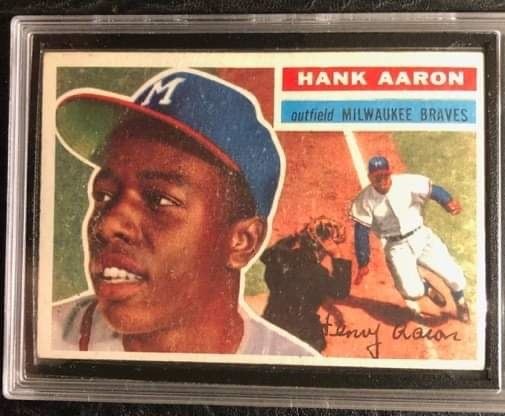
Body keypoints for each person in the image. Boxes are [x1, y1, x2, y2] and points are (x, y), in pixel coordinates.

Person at [51, 69, 317, 355]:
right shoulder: (41, 337)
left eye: (160, 200)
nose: (108, 225)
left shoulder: (295, 368)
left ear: (243, 241)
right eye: (104, 195)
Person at [350, 156, 470, 322]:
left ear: (390, 172)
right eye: (377, 177)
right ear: (370, 177)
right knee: (411, 292)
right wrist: (363, 262)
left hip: (422, 238)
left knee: (455, 277)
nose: (382, 179)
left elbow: (434, 190)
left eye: (385, 175)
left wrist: (447, 201)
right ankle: (426, 288)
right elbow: (361, 231)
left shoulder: (407, 183)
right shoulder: (364, 199)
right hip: (397, 247)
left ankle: (461, 302)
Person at [261, 217, 352, 352]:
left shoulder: (280, 258)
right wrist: (337, 257)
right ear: (323, 250)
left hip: (269, 329)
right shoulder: (319, 274)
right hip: (301, 336)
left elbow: (268, 254)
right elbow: (341, 292)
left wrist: (292, 237)